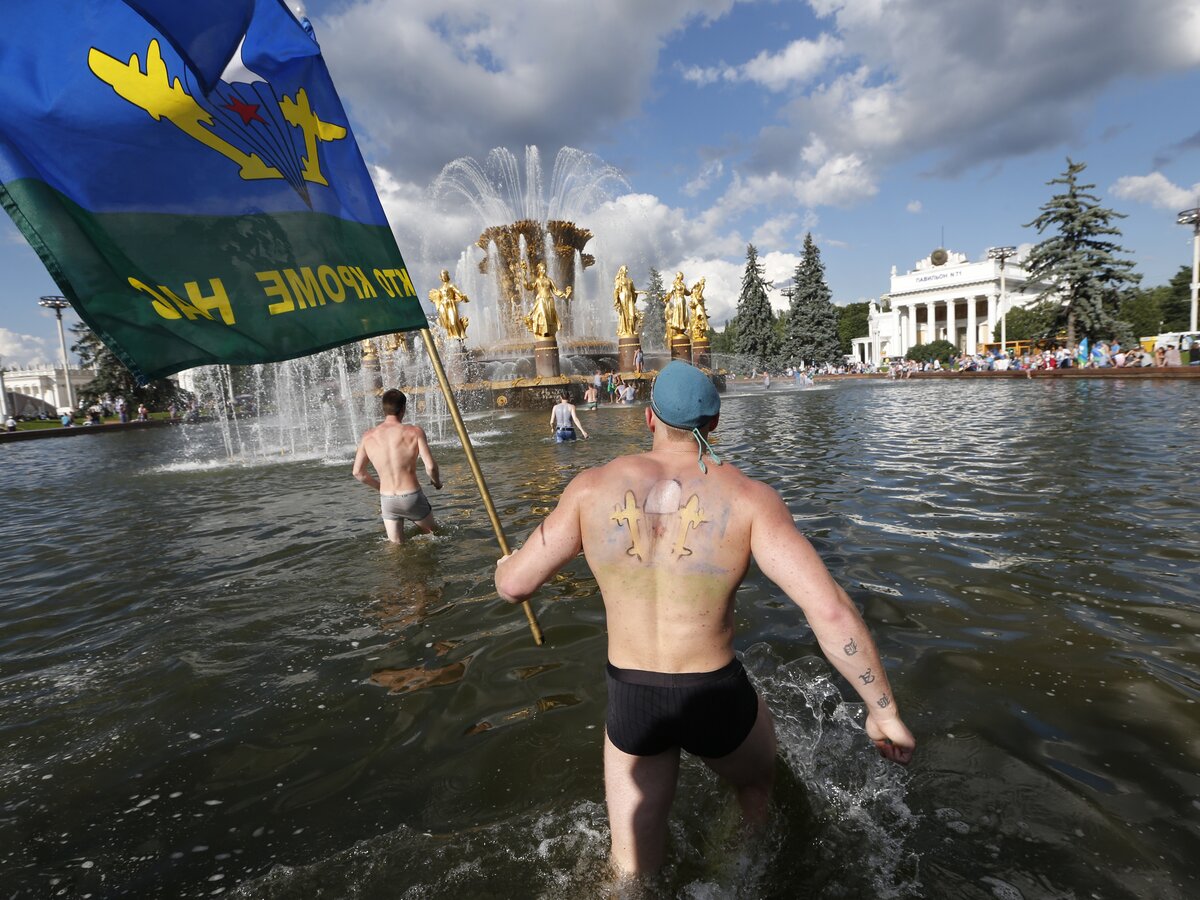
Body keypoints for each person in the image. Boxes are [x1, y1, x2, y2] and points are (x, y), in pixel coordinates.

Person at [495, 361, 915, 876]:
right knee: (756, 788)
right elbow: (827, 608)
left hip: (632, 697)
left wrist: (504, 565)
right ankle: (733, 879)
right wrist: (884, 710)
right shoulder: (749, 499)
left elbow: (515, 585)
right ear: (714, 423)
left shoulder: (590, 488)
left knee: (629, 870)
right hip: (713, 693)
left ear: (649, 419)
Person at [352, 389, 442, 544]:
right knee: (435, 536)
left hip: (387, 500)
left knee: (396, 547)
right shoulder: (414, 432)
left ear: (384, 409)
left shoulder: (368, 436)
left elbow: (358, 473)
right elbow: (431, 467)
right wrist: (437, 482)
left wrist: (380, 487)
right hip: (411, 496)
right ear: (403, 409)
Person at [520, 261, 572, 339]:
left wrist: (565, 295)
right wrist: (523, 274)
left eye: (544, 269)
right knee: (543, 315)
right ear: (538, 270)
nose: (543, 271)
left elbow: (555, 290)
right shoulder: (537, 280)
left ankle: (549, 334)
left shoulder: (549, 280)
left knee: (549, 317)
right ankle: (544, 333)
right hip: (541, 299)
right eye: (541, 269)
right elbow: (528, 286)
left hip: (549, 300)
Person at [428, 269, 470, 341]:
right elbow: (438, 298)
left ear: (447, 276)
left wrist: (463, 296)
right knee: (446, 324)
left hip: (451, 304)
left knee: (453, 321)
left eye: (445, 276)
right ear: (441, 277)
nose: (444, 277)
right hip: (443, 306)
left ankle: (458, 336)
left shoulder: (451, 285)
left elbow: (458, 292)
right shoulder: (440, 288)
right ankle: (450, 337)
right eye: (442, 276)